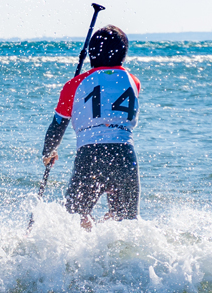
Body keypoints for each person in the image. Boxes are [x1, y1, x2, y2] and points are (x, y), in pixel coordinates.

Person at [41, 25, 141, 230]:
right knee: (128, 225)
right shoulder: (134, 82)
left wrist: (49, 151)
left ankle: (88, 241)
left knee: (73, 220)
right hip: (125, 155)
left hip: (90, 156)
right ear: (123, 55)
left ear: (90, 54)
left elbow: (58, 125)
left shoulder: (74, 84)